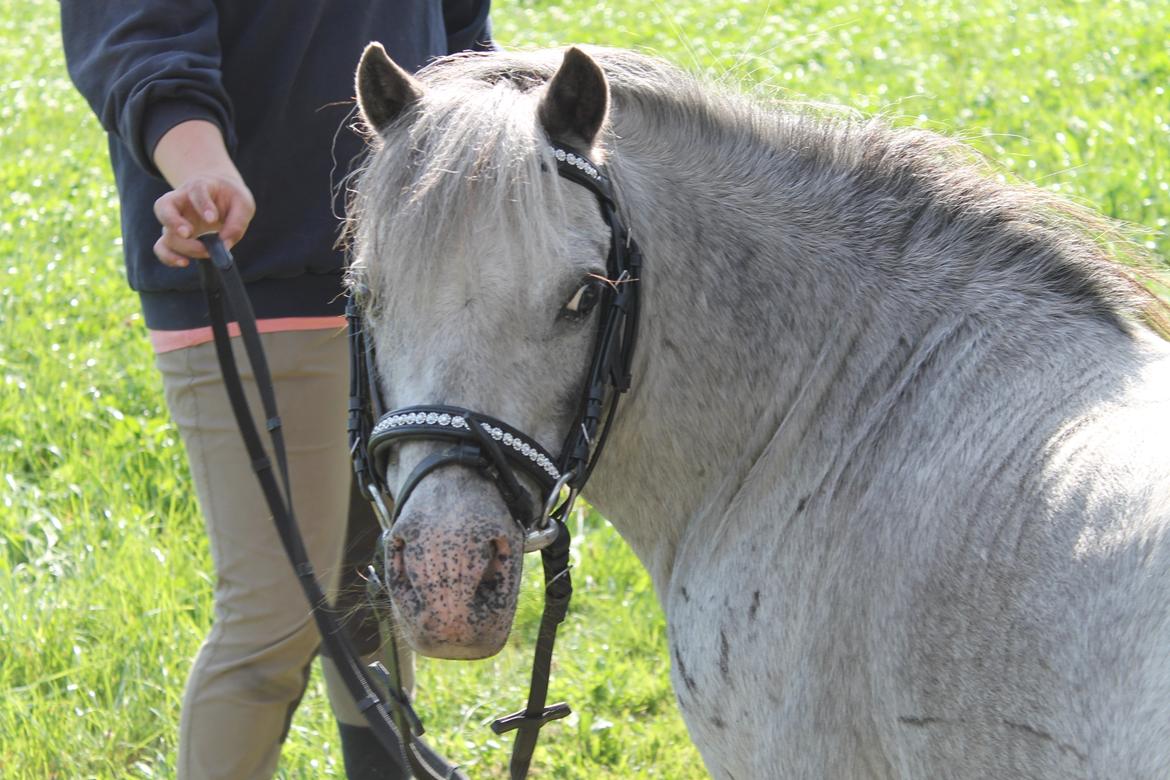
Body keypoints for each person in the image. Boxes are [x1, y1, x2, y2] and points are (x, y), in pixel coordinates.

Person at [60, 3, 494, 778]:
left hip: (412, 273)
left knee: (374, 580)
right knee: (276, 622)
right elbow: (137, 33)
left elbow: (460, 34)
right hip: (253, 269)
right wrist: (199, 166)